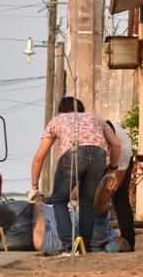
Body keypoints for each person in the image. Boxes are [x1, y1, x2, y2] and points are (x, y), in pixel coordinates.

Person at [28, 97, 121, 254]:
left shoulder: (57, 120)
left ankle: (69, 247)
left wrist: (34, 186)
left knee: (59, 200)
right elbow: (116, 144)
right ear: (81, 107)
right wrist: (112, 169)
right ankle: (85, 246)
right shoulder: (96, 119)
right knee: (87, 203)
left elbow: (39, 157)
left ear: (61, 109)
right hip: (99, 156)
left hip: (73, 153)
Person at [102, 119, 136, 251]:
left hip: (121, 159)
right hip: (118, 157)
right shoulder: (101, 125)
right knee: (120, 200)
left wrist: (112, 170)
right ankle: (128, 241)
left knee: (119, 199)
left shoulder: (100, 126)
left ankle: (127, 240)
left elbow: (115, 148)